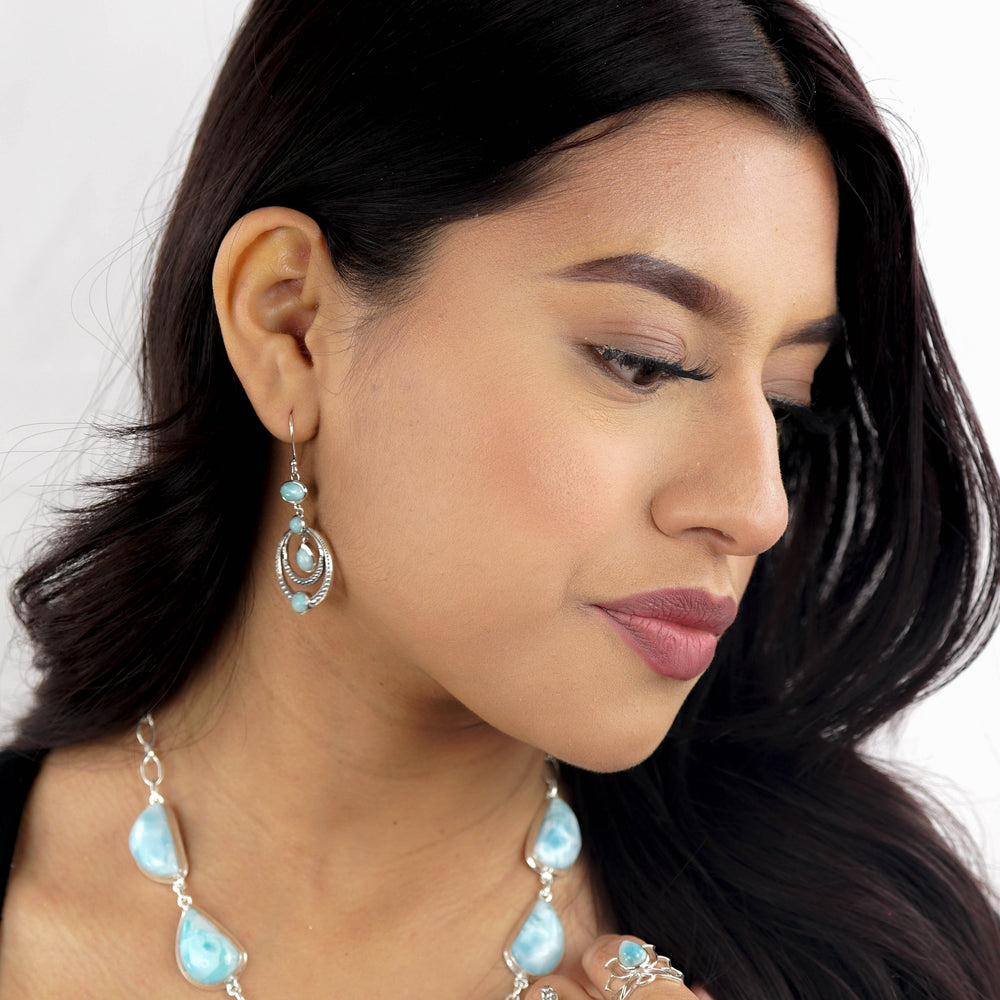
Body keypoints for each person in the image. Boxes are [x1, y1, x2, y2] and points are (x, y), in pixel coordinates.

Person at [1, 1, 999, 998]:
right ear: (292, 326)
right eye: (642, 362)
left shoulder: (873, 953)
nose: (755, 508)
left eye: (786, 404)